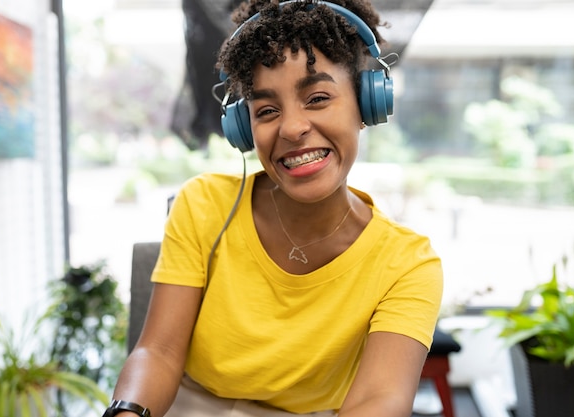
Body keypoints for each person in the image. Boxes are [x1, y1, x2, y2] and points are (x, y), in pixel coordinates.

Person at [103, 1, 443, 416]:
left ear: (367, 104)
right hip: (190, 404)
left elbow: (379, 400)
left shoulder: (408, 263)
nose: (292, 127)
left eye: (317, 98)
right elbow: (159, 351)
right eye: (266, 111)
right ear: (245, 129)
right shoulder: (203, 204)